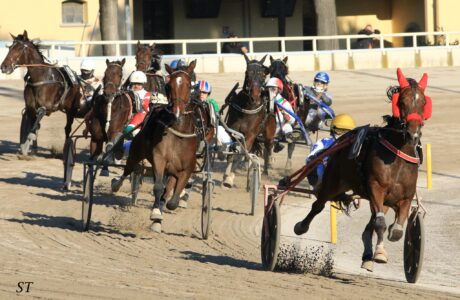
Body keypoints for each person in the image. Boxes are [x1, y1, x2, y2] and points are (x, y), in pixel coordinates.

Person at [306, 113, 356, 190]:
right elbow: (310, 158)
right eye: (339, 131)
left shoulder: (354, 145)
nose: (342, 134)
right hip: (326, 176)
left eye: (345, 131)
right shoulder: (324, 142)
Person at [266, 77, 296, 153]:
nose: (270, 91)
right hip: (266, 129)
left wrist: (289, 118)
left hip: (279, 128)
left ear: (279, 90)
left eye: (273, 88)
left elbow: (293, 120)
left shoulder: (284, 103)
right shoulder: (265, 102)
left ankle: (281, 143)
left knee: (288, 127)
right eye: (269, 89)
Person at [124, 71, 152, 137]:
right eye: (134, 84)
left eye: (139, 84)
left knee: (129, 130)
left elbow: (146, 110)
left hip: (140, 118)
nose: (136, 86)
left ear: (143, 84)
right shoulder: (126, 94)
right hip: (125, 118)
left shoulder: (147, 94)